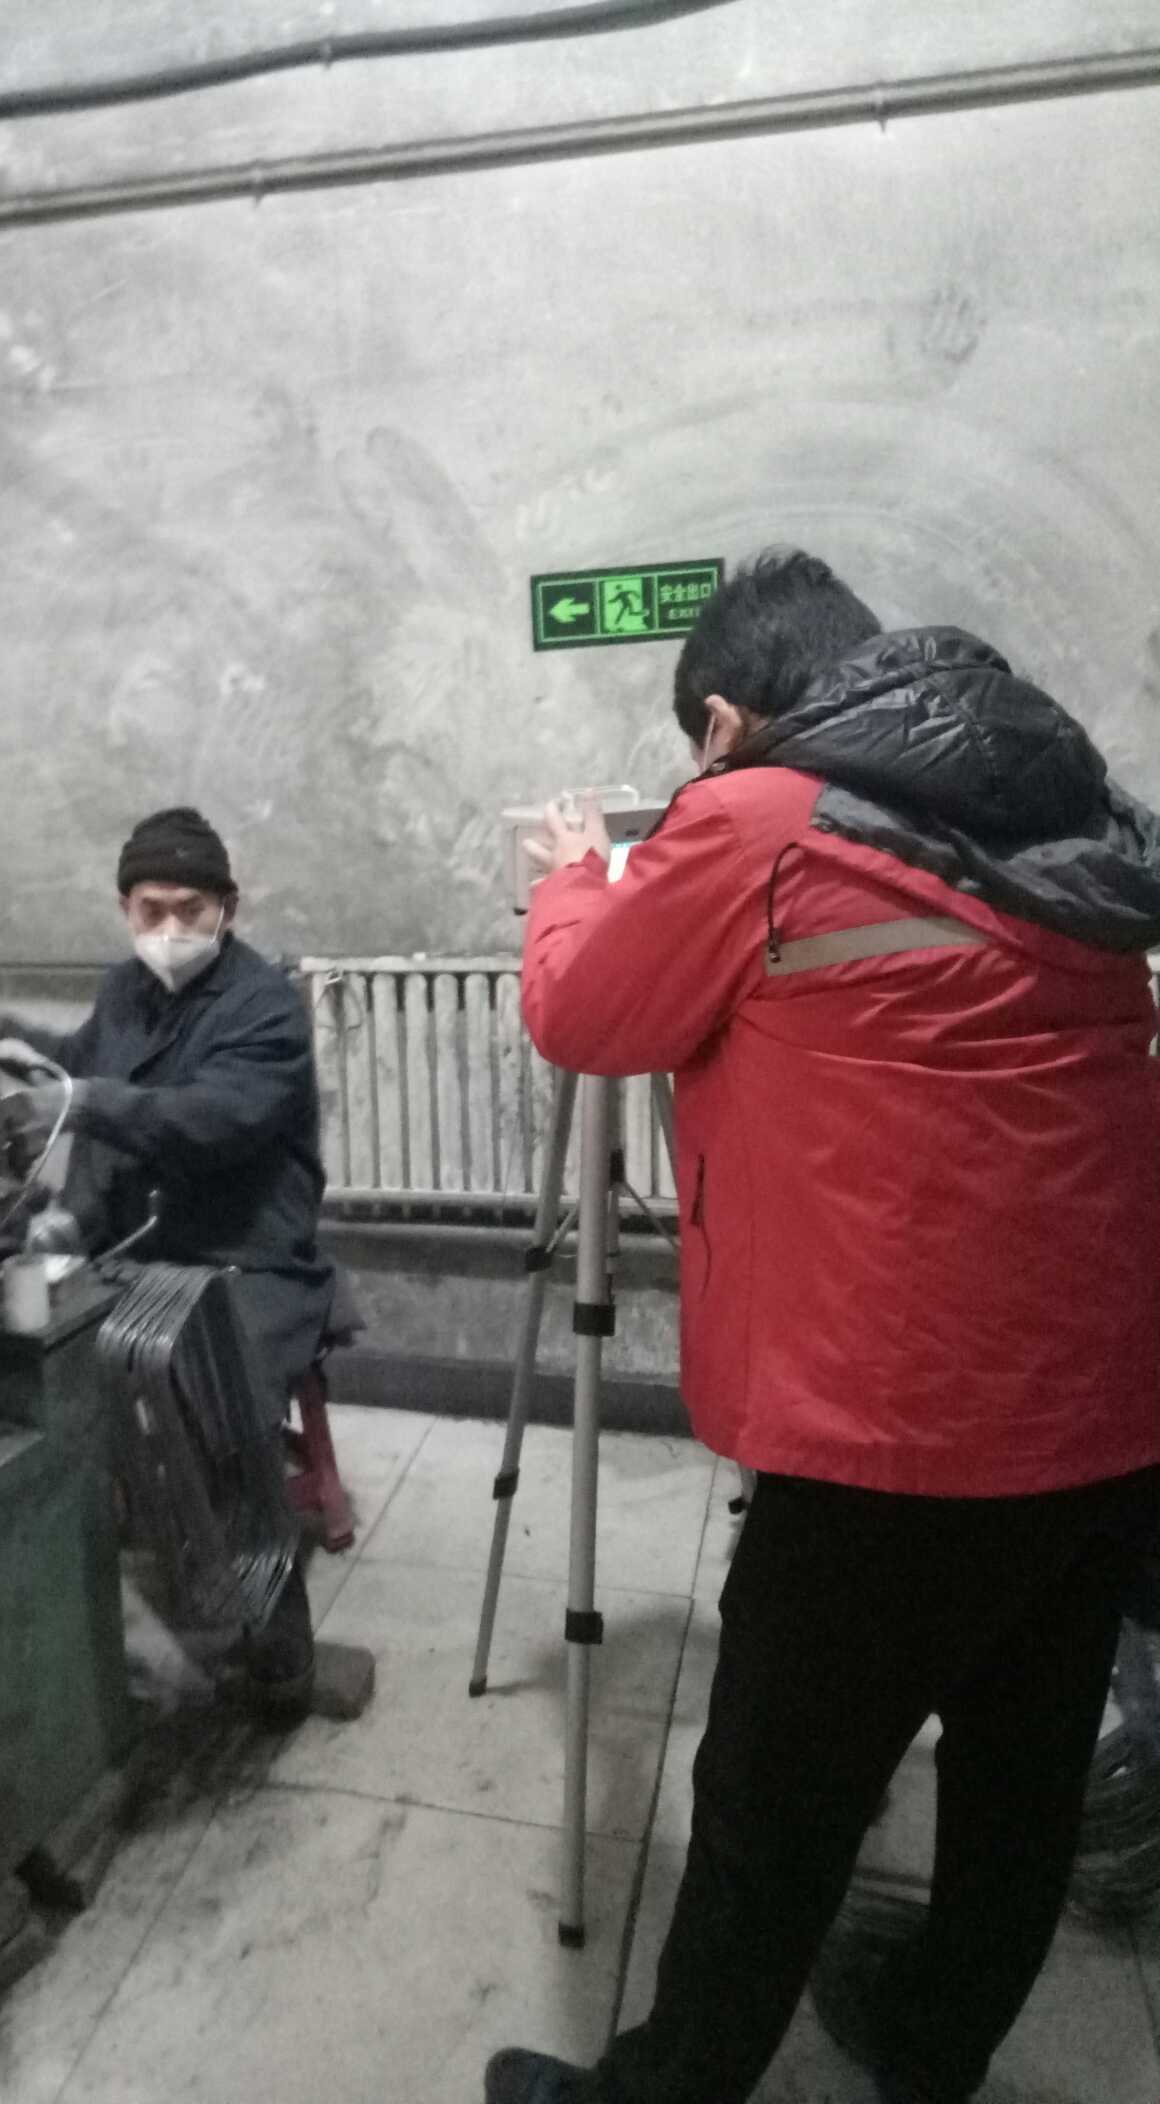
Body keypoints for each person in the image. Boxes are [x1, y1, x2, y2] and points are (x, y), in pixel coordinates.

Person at [487, 551, 1160, 2104]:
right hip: (1109, 1403)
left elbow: (586, 1012)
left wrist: (576, 879)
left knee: (767, 1809)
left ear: (726, 722)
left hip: (897, 1428)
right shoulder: (1058, 802)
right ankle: (930, 2038)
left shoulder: (759, 817)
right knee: (1018, 1782)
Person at [0, 805, 346, 1714]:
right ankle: (84, 1592)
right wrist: (19, 1040)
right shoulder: (123, 990)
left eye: (190, 909)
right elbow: (90, 1064)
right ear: (124, 909)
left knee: (214, 1389)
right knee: (20, 1357)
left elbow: (207, 1119)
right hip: (141, 1237)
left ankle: (277, 1640)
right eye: (150, 909)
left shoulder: (265, 1007)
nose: (170, 928)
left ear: (228, 909)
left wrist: (82, 1100)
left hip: (248, 1256)